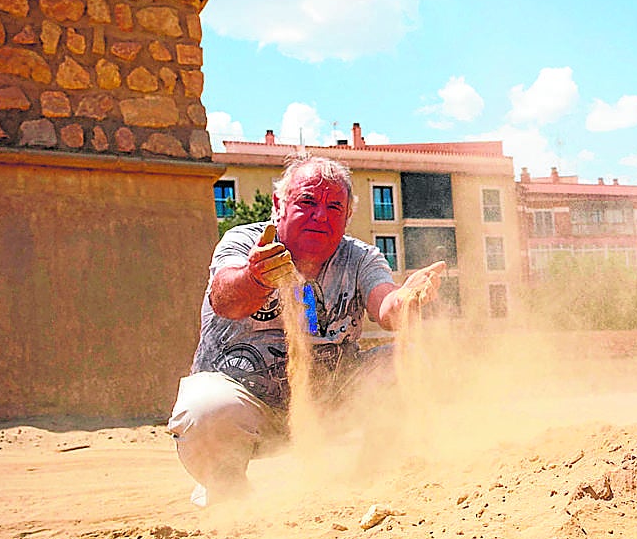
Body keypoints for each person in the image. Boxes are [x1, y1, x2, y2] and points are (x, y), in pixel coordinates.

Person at [168, 154, 446, 506]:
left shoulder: (360, 258)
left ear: (346, 217)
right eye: (307, 202)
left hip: (331, 404)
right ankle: (229, 496)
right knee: (204, 410)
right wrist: (255, 277)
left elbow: (386, 306)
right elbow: (226, 299)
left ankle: (370, 479)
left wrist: (407, 298)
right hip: (247, 409)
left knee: (410, 360)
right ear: (278, 205)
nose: (320, 216)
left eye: (334, 207)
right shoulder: (245, 242)